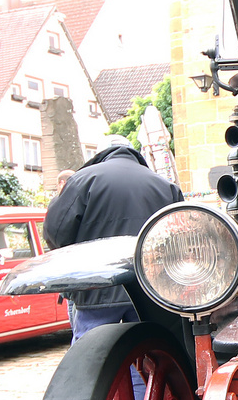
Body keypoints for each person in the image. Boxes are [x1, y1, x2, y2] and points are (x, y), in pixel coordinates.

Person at [44, 135, 183, 342]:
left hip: (96, 285)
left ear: (101, 154)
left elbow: (54, 231)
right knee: (146, 353)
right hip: (150, 290)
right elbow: (181, 238)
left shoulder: (83, 180)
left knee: (91, 354)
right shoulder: (164, 185)